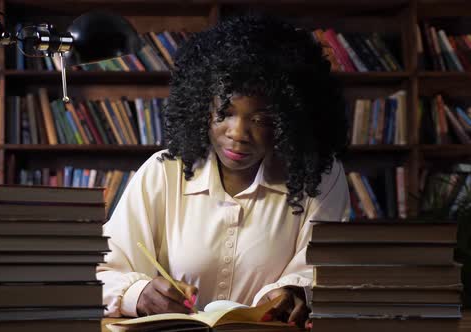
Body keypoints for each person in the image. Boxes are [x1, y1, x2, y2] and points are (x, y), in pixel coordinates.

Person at [96, 14, 350, 329]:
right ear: (202, 107)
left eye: (261, 119)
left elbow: (323, 271)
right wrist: (139, 293)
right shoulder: (163, 171)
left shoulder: (320, 175)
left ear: (291, 118)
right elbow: (100, 272)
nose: (238, 133)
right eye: (225, 113)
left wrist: (297, 291)